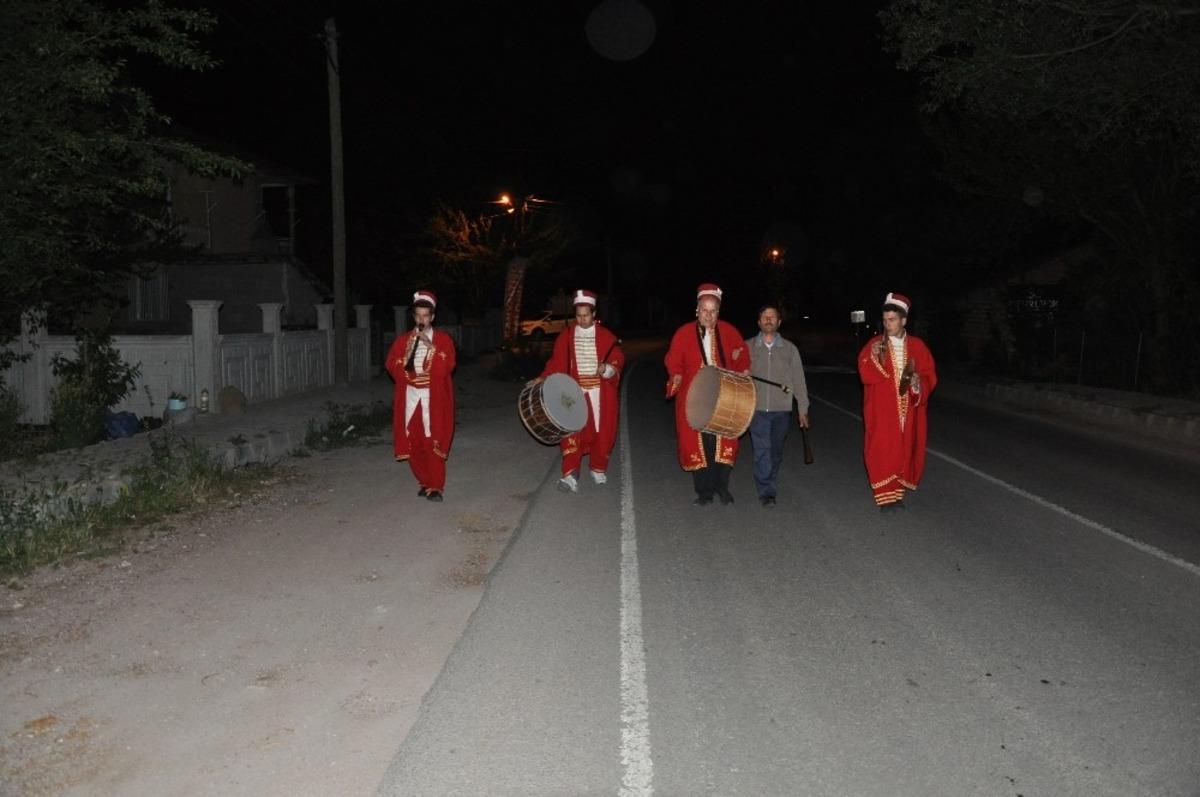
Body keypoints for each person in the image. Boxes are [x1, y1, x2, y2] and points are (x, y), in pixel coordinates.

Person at [528, 289, 625, 493]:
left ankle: (598, 468)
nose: (582, 320)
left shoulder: (607, 337)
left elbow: (617, 360)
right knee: (571, 431)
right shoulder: (567, 336)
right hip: (574, 392)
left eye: (586, 315)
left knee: (602, 432)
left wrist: (606, 369)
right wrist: (542, 377)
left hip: (599, 393)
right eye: (578, 315)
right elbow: (557, 362)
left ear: (594, 314)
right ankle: (570, 474)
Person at [665, 283, 751, 505]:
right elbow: (673, 360)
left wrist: (743, 368)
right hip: (694, 400)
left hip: (725, 398)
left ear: (719, 311)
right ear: (697, 310)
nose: (709, 315)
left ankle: (722, 488)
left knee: (723, 445)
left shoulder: (730, 331)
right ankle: (704, 492)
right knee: (699, 445)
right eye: (705, 310)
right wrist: (676, 375)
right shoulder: (683, 333)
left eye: (713, 311)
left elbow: (742, 356)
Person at [857, 292, 937, 511]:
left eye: (892, 320)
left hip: (908, 411)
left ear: (903, 321)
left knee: (904, 449)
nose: (887, 324)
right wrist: (874, 357)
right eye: (885, 320)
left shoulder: (918, 346)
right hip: (883, 411)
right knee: (883, 449)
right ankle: (885, 497)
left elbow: (930, 376)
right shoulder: (875, 344)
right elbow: (865, 372)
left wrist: (919, 383)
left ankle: (896, 492)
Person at [385, 290, 457, 502]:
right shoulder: (403, 340)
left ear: (432, 317)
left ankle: (436, 486)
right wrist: (405, 371)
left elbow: (447, 366)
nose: (422, 320)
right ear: (414, 316)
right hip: (410, 397)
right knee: (413, 440)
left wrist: (430, 347)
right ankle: (425, 481)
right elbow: (391, 363)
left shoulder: (443, 340)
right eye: (418, 316)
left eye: (426, 316)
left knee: (432, 440)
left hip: (432, 399)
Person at [746, 304, 810, 507]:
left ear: (779, 322)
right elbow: (733, 374)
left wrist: (803, 409)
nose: (768, 320)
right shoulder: (747, 347)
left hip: (782, 409)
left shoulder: (790, 349)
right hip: (755, 409)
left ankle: (768, 477)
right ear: (758, 322)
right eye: (764, 316)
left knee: (775, 451)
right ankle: (767, 491)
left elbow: (798, 380)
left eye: (772, 317)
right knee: (762, 450)